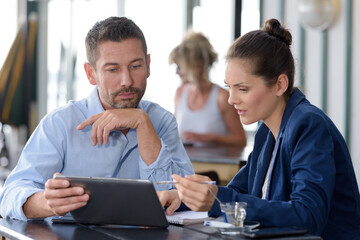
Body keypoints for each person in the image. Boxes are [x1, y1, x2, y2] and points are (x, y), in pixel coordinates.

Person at [158, 19, 360, 239]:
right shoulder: (267, 131)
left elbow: (308, 216)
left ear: (279, 85)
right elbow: (237, 193)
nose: (231, 99)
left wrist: (217, 199)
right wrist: (186, 196)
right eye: (229, 87)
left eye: (242, 89)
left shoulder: (308, 124)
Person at [0, 16, 194, 221]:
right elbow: (9, 195)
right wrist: (47, 202)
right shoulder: (60, 123)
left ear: (148, 65)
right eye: (112, 69)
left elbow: (186, 196)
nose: (127, 81)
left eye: (135, 66)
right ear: (91, 73)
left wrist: (142, 123)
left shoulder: (161, 121)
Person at [168, 31, 246, 147]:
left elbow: (241, 140)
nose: (177, 73)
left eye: (180, 67)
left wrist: (212, 138)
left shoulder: (222, 97)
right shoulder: (180, 93)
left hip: (216, 164)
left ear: (198, 65)